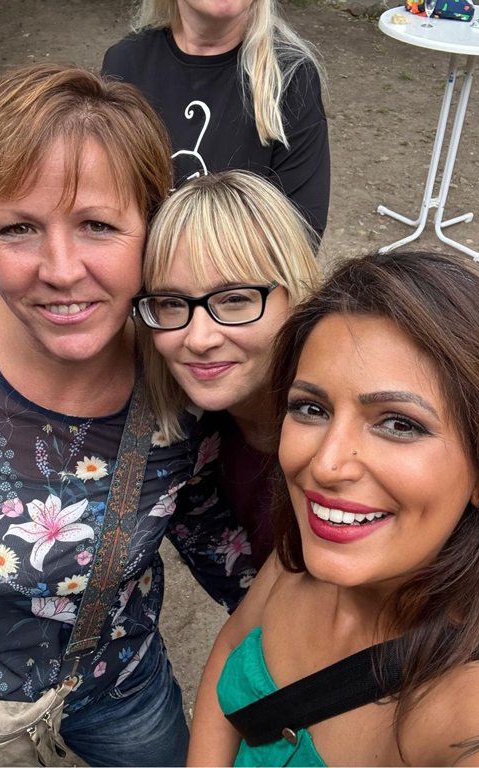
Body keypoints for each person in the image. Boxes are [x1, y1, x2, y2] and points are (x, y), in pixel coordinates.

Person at [0, 64, 254, 768]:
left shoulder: (182, 375)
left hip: (118, 686)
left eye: (97, 225)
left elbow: (205, 521)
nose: (61, 269)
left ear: (150, 231)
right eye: (19, 228)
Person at [187, 250, 479, 767]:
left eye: (399, 423)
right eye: (311, 408)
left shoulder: (471, 714)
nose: (326, 465)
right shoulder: (297, 557)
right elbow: (231, 648)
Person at [133, 170, 321, 571]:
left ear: (297, 295)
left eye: (235, 299)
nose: (200, 339)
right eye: (171, 303)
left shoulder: (351, 443)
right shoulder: (183, 446)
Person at [101, 0, 330, 239]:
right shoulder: (127, 63)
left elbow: (298, 233)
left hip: (241, 264)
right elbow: (104, 208)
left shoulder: (291, 77)